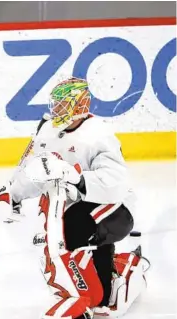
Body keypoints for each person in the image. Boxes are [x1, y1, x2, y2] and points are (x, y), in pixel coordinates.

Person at [9, 77, 150, 318]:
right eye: (56, 104)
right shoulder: (47, 129)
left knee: (79, 228)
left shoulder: (98, 134)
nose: (56, 110)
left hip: (115, 206)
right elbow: (34, 170)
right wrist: (13, 196)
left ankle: (105, 292)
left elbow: (115, 181)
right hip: (71, 203)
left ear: (80, 106)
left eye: (63, 104)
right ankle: (80, 287)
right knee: (58, 236)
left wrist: (76, 178)